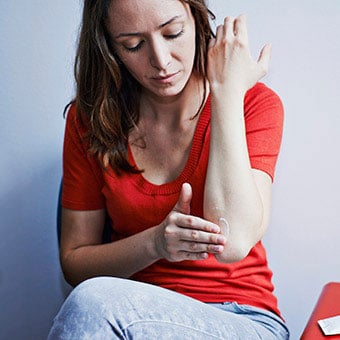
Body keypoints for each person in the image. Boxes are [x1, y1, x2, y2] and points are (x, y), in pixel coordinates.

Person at [48, 0, 289, 338]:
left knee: (93, 302)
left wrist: (227, 93)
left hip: (240, 318)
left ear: (197, 20)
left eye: (173, 33)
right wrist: (155, 244)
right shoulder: (88, 121)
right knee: (92, 301)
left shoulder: (254, 104)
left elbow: (233, 241)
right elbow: (74, 264)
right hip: (124, 315)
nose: (160, 61)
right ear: (107, 46)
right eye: (133, 44)